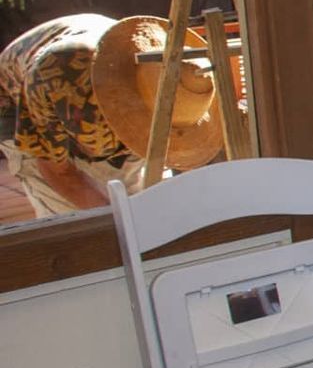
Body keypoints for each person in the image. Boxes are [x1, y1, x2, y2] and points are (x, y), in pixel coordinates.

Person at [0, 14, 225, 217]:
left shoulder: (188, 80)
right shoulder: (63, 77)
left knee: (136, 201)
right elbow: (58, 172)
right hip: (22, 96)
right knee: (74, 222)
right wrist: (117, 220)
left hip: (99, 96)